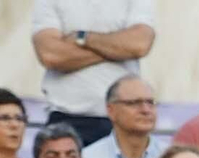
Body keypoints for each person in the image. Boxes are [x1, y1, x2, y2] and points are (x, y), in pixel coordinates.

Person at [29, 0, 155, 145]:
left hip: (123, 119)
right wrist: (119, 50)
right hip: (66, 117)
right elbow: (51, 55)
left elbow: (139, 45)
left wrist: (82, 37)